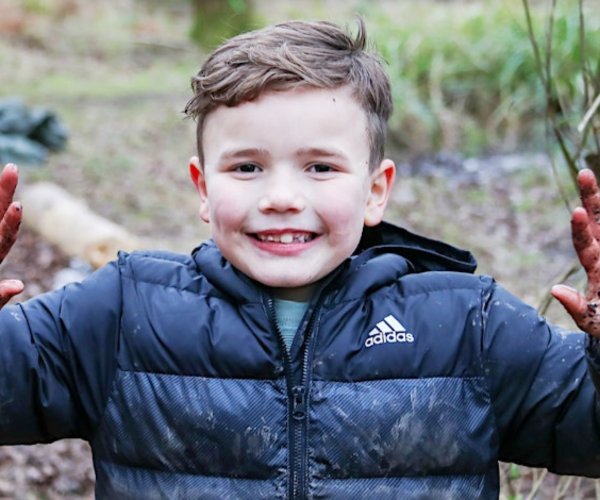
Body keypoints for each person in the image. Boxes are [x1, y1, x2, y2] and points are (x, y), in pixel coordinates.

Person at [0, 18, 599, 500]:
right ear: (203, 189)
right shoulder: (123, 311)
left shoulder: (467, 324)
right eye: (246, 167)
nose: (281, 197)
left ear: (375, 190)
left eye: (320, 167)